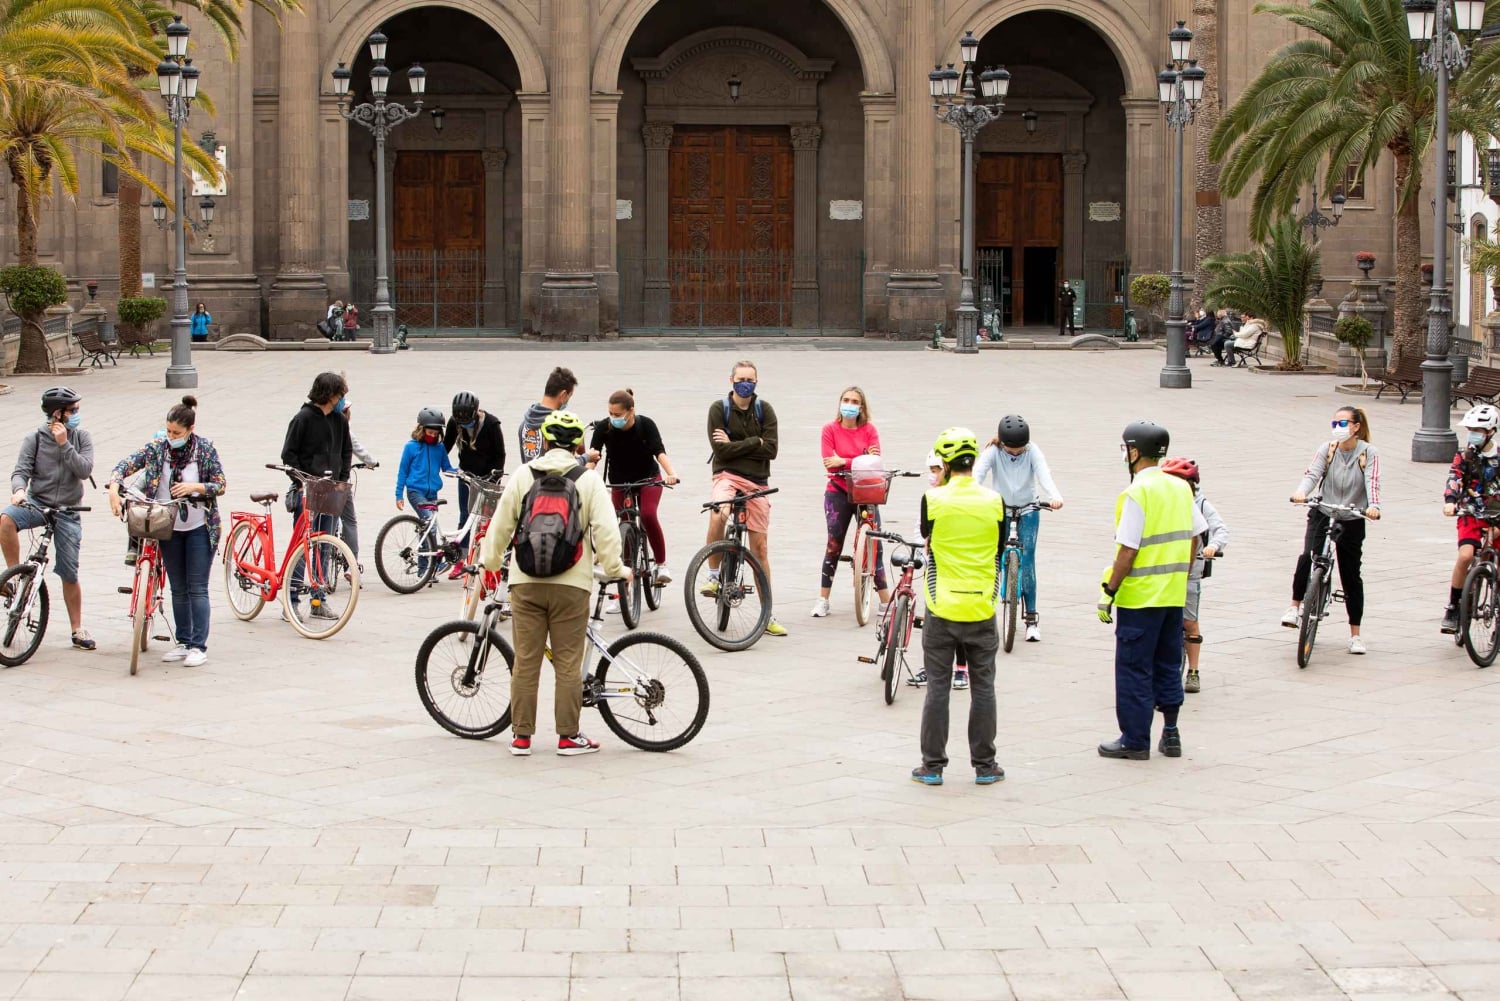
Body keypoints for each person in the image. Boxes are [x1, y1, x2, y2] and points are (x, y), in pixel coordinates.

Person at [480, 410, 626, 757]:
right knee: (567, 663)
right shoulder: (588, 481)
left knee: (526, 662)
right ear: (578, 444)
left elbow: (500, 524)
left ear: (544, 441)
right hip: (572, 584)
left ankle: (521, 737)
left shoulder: (523, 475)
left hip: (525, 581)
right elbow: (606, 530)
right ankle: (567, 737)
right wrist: (616, 568)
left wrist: (488, 563)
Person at [1096, 420, 1205, 760]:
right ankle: (1171, 734)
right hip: (1173, 595)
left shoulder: (1137, 493)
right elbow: (1195, 536)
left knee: (1134, 670)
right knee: (1168, 664)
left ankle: (1135, 740)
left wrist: (1109, 589)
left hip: (1140, 598)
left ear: (1134, 451)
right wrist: (1182, 575)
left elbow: (1128, 549)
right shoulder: (1179, 487)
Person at [910, 428, 1007, 787]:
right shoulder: (994, 502)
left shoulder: (932, 499)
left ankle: (932, 766)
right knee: (984, 687)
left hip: (941, 605)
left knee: (938, 687)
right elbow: (998, 549)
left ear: (945, 464)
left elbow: (928, 540)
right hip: (981, 606)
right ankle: (986, 765)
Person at [106, 396, 227, 667]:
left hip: (199, 527)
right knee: (178, 587)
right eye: (169, 431)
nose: (171, 437)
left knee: (197, 587)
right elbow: (125, 465)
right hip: (167, 525)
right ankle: (183, 641)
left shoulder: (204, 450)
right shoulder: (156, 449)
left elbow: (220, 484)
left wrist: (194, 488)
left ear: (190, 430)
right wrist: (114, 488)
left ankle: (199, 645)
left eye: (177, 433)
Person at [2, 387, 96, 651]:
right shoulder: (34, 438)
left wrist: (64, 444)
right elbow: (20, 471)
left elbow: (84, 469)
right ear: (58, 413)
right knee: (6, 520)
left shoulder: (81, 438)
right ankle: (15, 577)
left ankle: (77, 629)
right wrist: (19, 491)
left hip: (68, 510)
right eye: (73, 410)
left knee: (69, 572)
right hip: (37, 502)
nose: (77, 414)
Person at [1283, 406, 1380, 653]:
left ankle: (1355, 635)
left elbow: (1372, 481)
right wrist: (1302, 492)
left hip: (1352, 516)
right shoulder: (1328, 448)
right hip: (1323, 510)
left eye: (1343, 423)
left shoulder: (1368, 452)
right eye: (1335, 423)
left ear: (1356, 427)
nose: (1338, 428)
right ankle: (1294, 607)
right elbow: (1312, 474)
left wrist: (1373, 506)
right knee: (1308, 556)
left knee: (1350, 574)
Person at [704, 359, 784, 636]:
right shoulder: (719, 409)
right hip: (726, 475)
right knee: (719, 512)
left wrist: (738, 444)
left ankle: (767, 614)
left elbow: (772, 450)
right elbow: (720, 452)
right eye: (740, 379)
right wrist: (756, 443)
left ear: (756, 382)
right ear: (731, 381)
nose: (745, 383)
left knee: (760, 549)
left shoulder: (765, 410)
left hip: (758, 482)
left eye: (750, 379)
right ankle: (714, 577)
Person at [974, 415, 1063, 643]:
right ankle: (985, 610)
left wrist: (1054, 496)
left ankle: (1031, 619)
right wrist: (972, 495)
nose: (1016, 453)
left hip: (1028, 508)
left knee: (1029, 559)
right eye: (1011, 449)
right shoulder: (993, 451)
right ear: (1002, 443)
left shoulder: (1032, 451)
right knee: (994, 558)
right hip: (999, 509)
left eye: (1020, 449)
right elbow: (978, 475)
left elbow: (1044, 474)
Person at [587, 389, 680, 598]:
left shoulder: (645, 424)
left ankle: (661, 564)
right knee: (622, 526)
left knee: (647, 514)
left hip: (648, 478)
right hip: (620, 482)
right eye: (610, 413)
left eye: (618, 415)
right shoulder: (603, 427)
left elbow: (659, 452)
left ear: (631, 411)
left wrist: (671, 473)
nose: (613, 418)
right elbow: (593, 457)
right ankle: (624, 589)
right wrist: (584, 478)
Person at [280, 372, 353, 619]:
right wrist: (302, 481)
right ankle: (291, 600)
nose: (342, 399)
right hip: (308, 490)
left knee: (324, 547)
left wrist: (342, 481)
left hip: (331, 490)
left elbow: (346, 452)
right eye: (340, 394)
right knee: (302, 546)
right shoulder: (303, 418)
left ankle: (318, 600)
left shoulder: (340, 420)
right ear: (329, 393)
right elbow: (288, 455)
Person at [813, 386, 889, 620]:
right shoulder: (829, 429)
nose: (849, 404)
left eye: (854, 401)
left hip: (866, 491)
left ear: (861, 407)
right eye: (845, 400)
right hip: (837, 490)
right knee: (834, 544)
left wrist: (844, 460)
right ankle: (823, 599)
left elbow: (874, 462)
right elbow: (829, 462)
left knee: (876, 544)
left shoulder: (869, 429)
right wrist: (859, 458)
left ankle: (885, 600)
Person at [1160, 457, 1228, 694]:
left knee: (1189, 622)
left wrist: (1214, 546)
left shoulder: (1200, 504)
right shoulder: (1162, 501)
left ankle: (1193, 671)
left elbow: (1220, 529)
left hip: (1190, 573)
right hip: (1163, 569)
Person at [907, 452, 969, 691]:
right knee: (933, 619)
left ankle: (961, 667)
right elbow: (920, 528)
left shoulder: (962, 497)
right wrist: (923, 554)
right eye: (930, 470)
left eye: (936, 470)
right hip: (936, 564)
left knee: (959, 617)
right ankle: (930, 666)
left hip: (958, 565)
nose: (933, 475)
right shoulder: (931, 497)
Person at [1442, 404, 1500, 634]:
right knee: (1466, 555)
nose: (1472, 433)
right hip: (1471, 514)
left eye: (1477, 430)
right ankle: (1454, 607)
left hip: (1497, 515)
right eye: (1470, 429)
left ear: (1491, 432)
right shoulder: (1464, 455)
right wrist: (1450, 500)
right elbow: (1454, 477)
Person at [444, 391, 506, 578]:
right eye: (460, 422)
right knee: (465, 517)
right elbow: (445, 446)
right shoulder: (455, 422)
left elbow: (500, 454)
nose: (463, 425)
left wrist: (495, 477)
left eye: (467, 421)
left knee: (488, 520)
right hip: (467, 475)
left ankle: (489, 558)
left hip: (488, 477)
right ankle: (461, 561)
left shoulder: (492, 424)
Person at [518, 367, 578, 464]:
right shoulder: (559, 426)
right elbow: (564, 465)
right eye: (569, 397)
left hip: (529, 478)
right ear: (563, 395)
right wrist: (586, 458)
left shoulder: (525, 423)